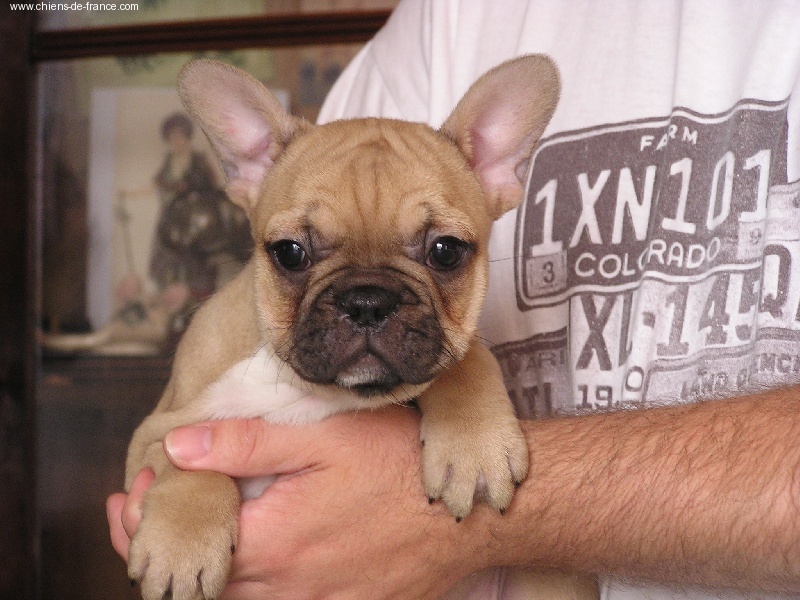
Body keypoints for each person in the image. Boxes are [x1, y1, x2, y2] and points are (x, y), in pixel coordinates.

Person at [108, 1, 800, 598]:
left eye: (441, 254)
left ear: (497, 175)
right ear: (249, 172)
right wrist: (191, 494)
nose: (368, 308)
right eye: (296, 254)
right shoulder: (223, 334)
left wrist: (465, 381)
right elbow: (157, 441)